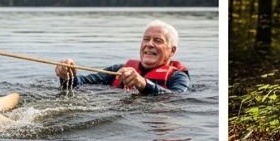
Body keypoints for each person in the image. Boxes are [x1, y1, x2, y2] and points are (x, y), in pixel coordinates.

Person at [55, 20, 190, 94]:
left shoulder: (178, 77)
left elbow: (177, 98)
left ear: (172, 51)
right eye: (146, 39)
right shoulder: (118, 70)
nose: (149, 44)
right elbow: (78, 84)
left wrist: (143, 84)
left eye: (158, 41)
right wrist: (67, 76)